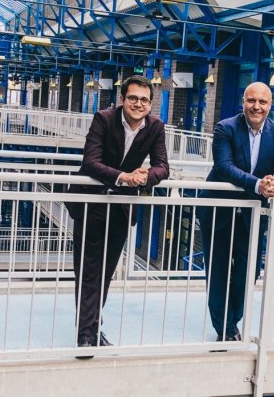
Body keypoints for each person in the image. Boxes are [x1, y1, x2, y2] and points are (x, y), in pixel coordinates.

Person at [65, 75, 169, 357]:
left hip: (121, 207)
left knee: (106, 273)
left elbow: (163, 168)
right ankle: (86, 335)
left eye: (144, 100)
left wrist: (145, 177)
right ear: (123, 99)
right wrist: (123, 177)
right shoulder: (104, 119)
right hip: (92, 202)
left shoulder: (155, 127)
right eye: (133, 98)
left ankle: (92, 328)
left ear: (150, 104)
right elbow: (90, 162)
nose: (138, 104)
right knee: (88, 271)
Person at [196, 81, 274, 342]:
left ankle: (232, 320)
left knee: (249, 269)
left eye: (263, 102)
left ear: (270, 105)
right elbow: (224, 165)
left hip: (252, 211)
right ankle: (224, 329)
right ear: (243, 102)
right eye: (252, 101)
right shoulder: (225, 128)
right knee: (218, 268)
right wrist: (257, 184)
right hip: (219, 208)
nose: (257, 107)